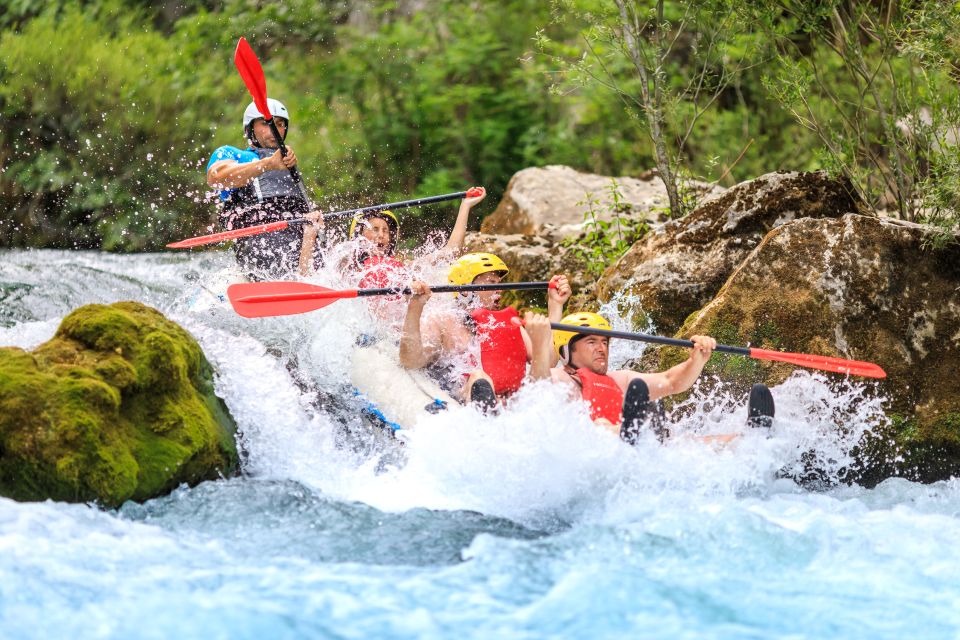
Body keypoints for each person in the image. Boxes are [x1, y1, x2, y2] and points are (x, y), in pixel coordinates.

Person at [526, 311, 775, 444]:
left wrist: (697, 359)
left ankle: (751, 438)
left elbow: (671, 381)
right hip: (597, 447)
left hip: (636, 441)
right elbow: (538, 391)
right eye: (591, 342)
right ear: (566, 351)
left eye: (604, 342)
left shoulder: (620, 379)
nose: (601, 348)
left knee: (687, 442)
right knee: (602, 425)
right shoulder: (559, 378)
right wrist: (539, 345)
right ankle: (636, 431)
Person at [398, 252, 571, 410]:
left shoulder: (507, 323)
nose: (499, 290)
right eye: (491, 283)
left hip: (510, 402)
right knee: (478, 378)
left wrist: (555, 305)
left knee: (556, 376)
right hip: (461, 400)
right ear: (466, 288)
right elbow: (411, 360)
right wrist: (415, 307)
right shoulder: (442, 320)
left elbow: (548, 362)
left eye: (500, 284)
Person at [206, 99, 323, 279]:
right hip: (257, 256)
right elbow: (216, 177)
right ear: (249, 129)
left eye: (279, 124)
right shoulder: (232, 154)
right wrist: (268, 164)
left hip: (301, 262)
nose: (274, 130)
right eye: (266, 123)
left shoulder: (289, 170)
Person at [348, 187, 488, 289]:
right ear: (359, 237)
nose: (381, 235)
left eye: (385, 230)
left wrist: (465, 206)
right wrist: (323, 229)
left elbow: (450, 251)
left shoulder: (404, 268)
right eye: (375, 229)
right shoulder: (349, 271)